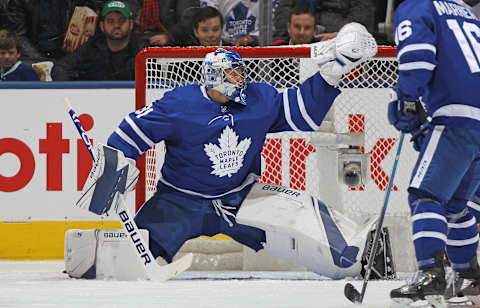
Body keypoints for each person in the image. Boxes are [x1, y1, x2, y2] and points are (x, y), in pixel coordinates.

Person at [78, 23, 382, 279]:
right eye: (233, 74)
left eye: (240, 72)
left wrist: (332, 73)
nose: (241, 79)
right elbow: (131, 132)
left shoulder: (258, 99)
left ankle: (363, 253)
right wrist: (112, 166)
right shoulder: (179, 105)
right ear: (212, 77)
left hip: (241, 196)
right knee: (122, 265)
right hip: (180, 201)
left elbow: (303, 112)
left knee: (302, 212)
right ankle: (85, 257)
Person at [387, 0, 480, 306]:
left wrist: (406, 99)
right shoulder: (465, 11)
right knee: (455, 205)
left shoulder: (418, 6)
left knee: (426, 196)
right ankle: (471, 277)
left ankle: (430, 276)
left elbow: (417, 60)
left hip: (457, 115)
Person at [51, 0, 146, 81]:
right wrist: (76, 93)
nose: (116, 25)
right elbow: (60, 69)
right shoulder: (92, 46)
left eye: (121, 21)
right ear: (101, 26)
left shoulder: (142, 50)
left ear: (131, 24)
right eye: (110, 21)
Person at [5, 0, 104, 65]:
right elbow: (18, 35)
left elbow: (98, 7)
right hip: (32, 55)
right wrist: (43, 61)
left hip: (67, 54)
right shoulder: (18, 2)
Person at [273, 0, 376, 43]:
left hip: (337, 40)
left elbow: (362, 14)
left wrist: (341, 35)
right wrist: (294, 31)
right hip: (294, 37)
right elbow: (283, 11)